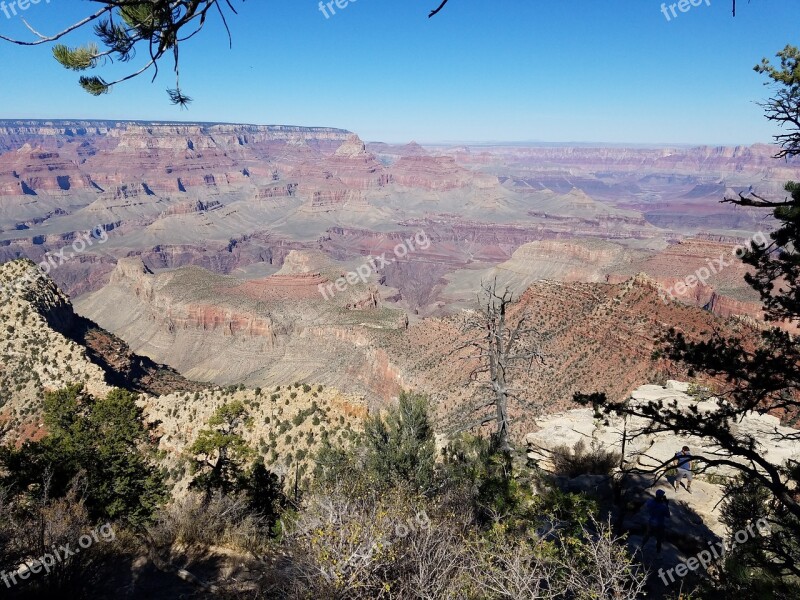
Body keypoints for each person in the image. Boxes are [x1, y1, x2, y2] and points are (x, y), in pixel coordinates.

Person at [641, 489, 671, 554]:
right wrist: (666, 505)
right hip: (659, 524)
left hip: (651, 522)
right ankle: (658, 554)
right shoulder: (663, 506)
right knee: (659, 539)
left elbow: (648, 506)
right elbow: (668, 516)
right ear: (661, 497)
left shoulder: (650, 502)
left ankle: (641, 547)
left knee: (647, 535)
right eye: (663, 496)